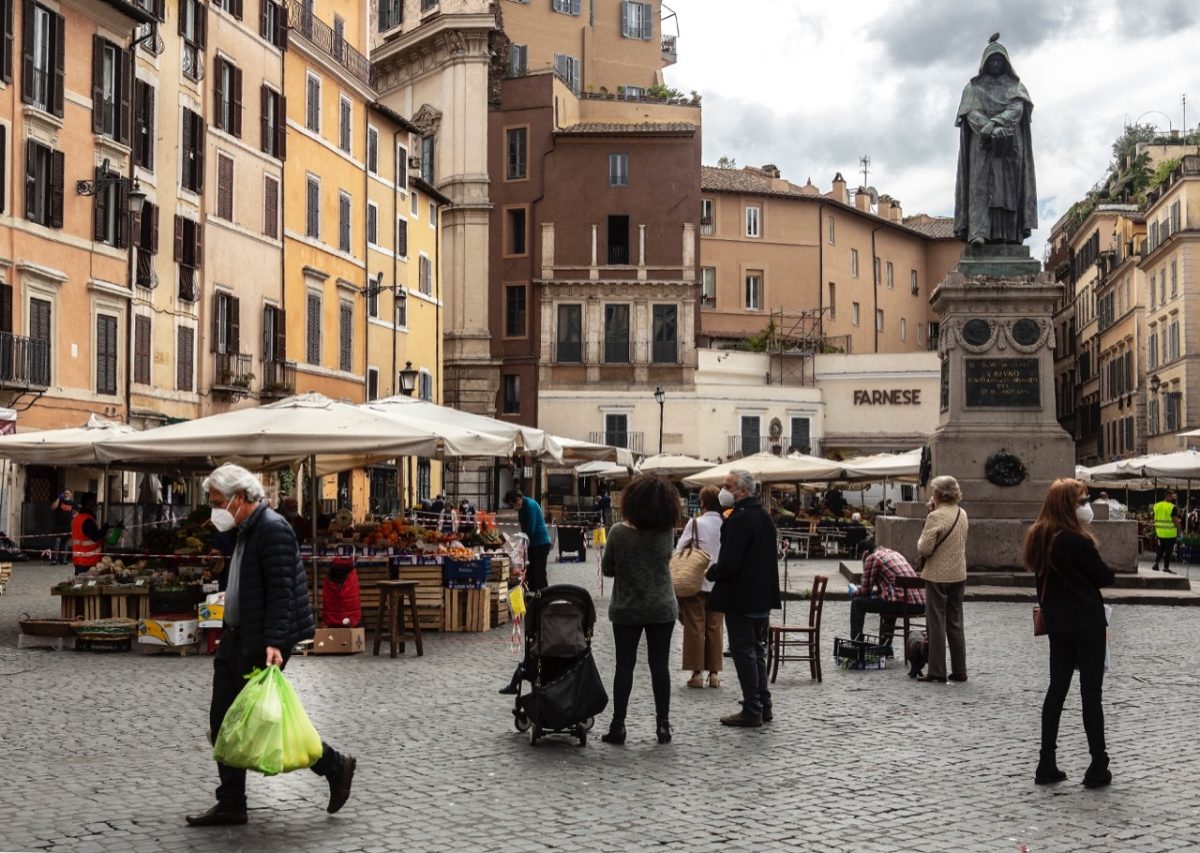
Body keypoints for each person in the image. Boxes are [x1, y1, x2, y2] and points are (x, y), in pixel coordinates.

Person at [186, 464, 355, 827]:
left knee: (262, 724)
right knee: (223, 722)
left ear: (242, 498)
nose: (215, 509)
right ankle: (232, 802)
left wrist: (275, 643)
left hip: (260, 640)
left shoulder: (273, 530)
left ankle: (334, 764)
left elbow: (282, 592)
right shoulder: (245, 529)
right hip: (235, 636)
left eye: (218, 502)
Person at [1023, 478, 1114, 789]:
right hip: (1087, 621)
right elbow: (1104, 577)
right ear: (1068, 506)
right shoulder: (1076, 540)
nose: (1085, 507)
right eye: (1081, 501)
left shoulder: (1039, 536)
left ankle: (1046, 760)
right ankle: (1097, 763)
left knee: (1056, 690)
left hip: (1058, 623)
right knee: (1091, 693)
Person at [599, 475, 681, 745]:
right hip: (662, 606)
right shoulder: (667, 531)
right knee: (660, 666)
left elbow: (608, 569)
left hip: (627, 607)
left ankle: (618, 725)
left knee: (625, 666)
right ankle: (663, 724)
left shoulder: (618, 533)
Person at [706, 469, 782, 727]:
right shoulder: (763, 516)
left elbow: (730, 562)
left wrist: (712, 571)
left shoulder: (739, 519)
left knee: (744, 652)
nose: (723, 490)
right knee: (757, 651)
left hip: (741, 596)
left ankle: (752, 707)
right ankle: (763, 704)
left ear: (743, 491)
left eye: (728, 486)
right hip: (761, 596)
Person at [953, 35, 1038, 246]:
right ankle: (979, 233)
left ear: (1006, 63)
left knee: (1007, 190)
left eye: (1000, 60)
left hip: (1009, 146)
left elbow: (1017, 109)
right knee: (979, 188)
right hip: (982, 145)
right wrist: (988, 128)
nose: (996, 64)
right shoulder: (973, 88)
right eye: (992, 60)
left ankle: (1010, 235)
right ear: (985, 63)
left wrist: (997, 123)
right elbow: (971, 112)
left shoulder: (1016, 87)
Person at [915, 475, 969, 684]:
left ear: (938, 494)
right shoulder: (962, 513)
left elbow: (924, 547)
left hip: (938, 574)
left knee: (936, 622)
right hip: (958, 573)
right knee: (955, 622)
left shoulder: (935, 517)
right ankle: (960, 669)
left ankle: (937, 670)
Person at [675, 485, 724, 689]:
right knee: (715, 628)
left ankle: (696, 673)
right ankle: (713, 674)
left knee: (695, 627)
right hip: (720, 583)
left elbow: (679, 549)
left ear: (702, 503)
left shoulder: (695, 524)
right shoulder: (726, 523)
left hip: (695, 581)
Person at [851, 539, 925, 654]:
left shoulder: (873, 557)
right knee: (888, 600)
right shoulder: (893, 553)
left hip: (903, 604)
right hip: (920, 604)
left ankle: (856, 648)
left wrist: (854, 591)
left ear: (865, 552)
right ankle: (885, 648)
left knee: (857, 603)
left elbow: (865, 591)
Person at [504, 489, 551, 590]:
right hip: (532, 544)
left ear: (518, 499)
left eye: (513, 504)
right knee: (531, 573)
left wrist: (519, 542)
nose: (513, 507)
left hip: (540, 543)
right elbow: (523, 526)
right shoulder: (522, 507)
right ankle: (533, 597)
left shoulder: (530, 506)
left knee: (539, 573)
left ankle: (544, 597)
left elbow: (530, 529)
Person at [70, 493, 108, 576]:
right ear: (89, 502)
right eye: (94, 501)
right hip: (88, 561)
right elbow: (95, 536)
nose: (95, 504)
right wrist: (105, 528)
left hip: (78, 560)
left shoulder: (76, 518)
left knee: (79, 585)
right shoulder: (87, 520)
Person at [1151, 489, 1181, 574]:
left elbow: (1154, 517)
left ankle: (1156, 564)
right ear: (1168, 496)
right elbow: (1175, 520)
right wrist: (1180, 531)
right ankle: (1166, 568)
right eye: (1172, 496)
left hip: (1160, 532)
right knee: (1168, 551)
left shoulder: (1156, 505)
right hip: (1170, 533)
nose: (1173, 498)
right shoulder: (1172, 507)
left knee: (1161, 548)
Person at [49, 488, 75, 565]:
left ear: (70, 495)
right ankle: (54, 559)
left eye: (68, 493)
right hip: (58, 525)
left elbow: (78, 510)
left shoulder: (72, 503)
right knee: (57, 542)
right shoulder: (60, 501)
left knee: (65, 543)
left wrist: (73, 517)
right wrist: (59, 498)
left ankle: (63, 559)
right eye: (65, 493)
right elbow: (53, 507)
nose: (66, 494)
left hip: (67, 526)